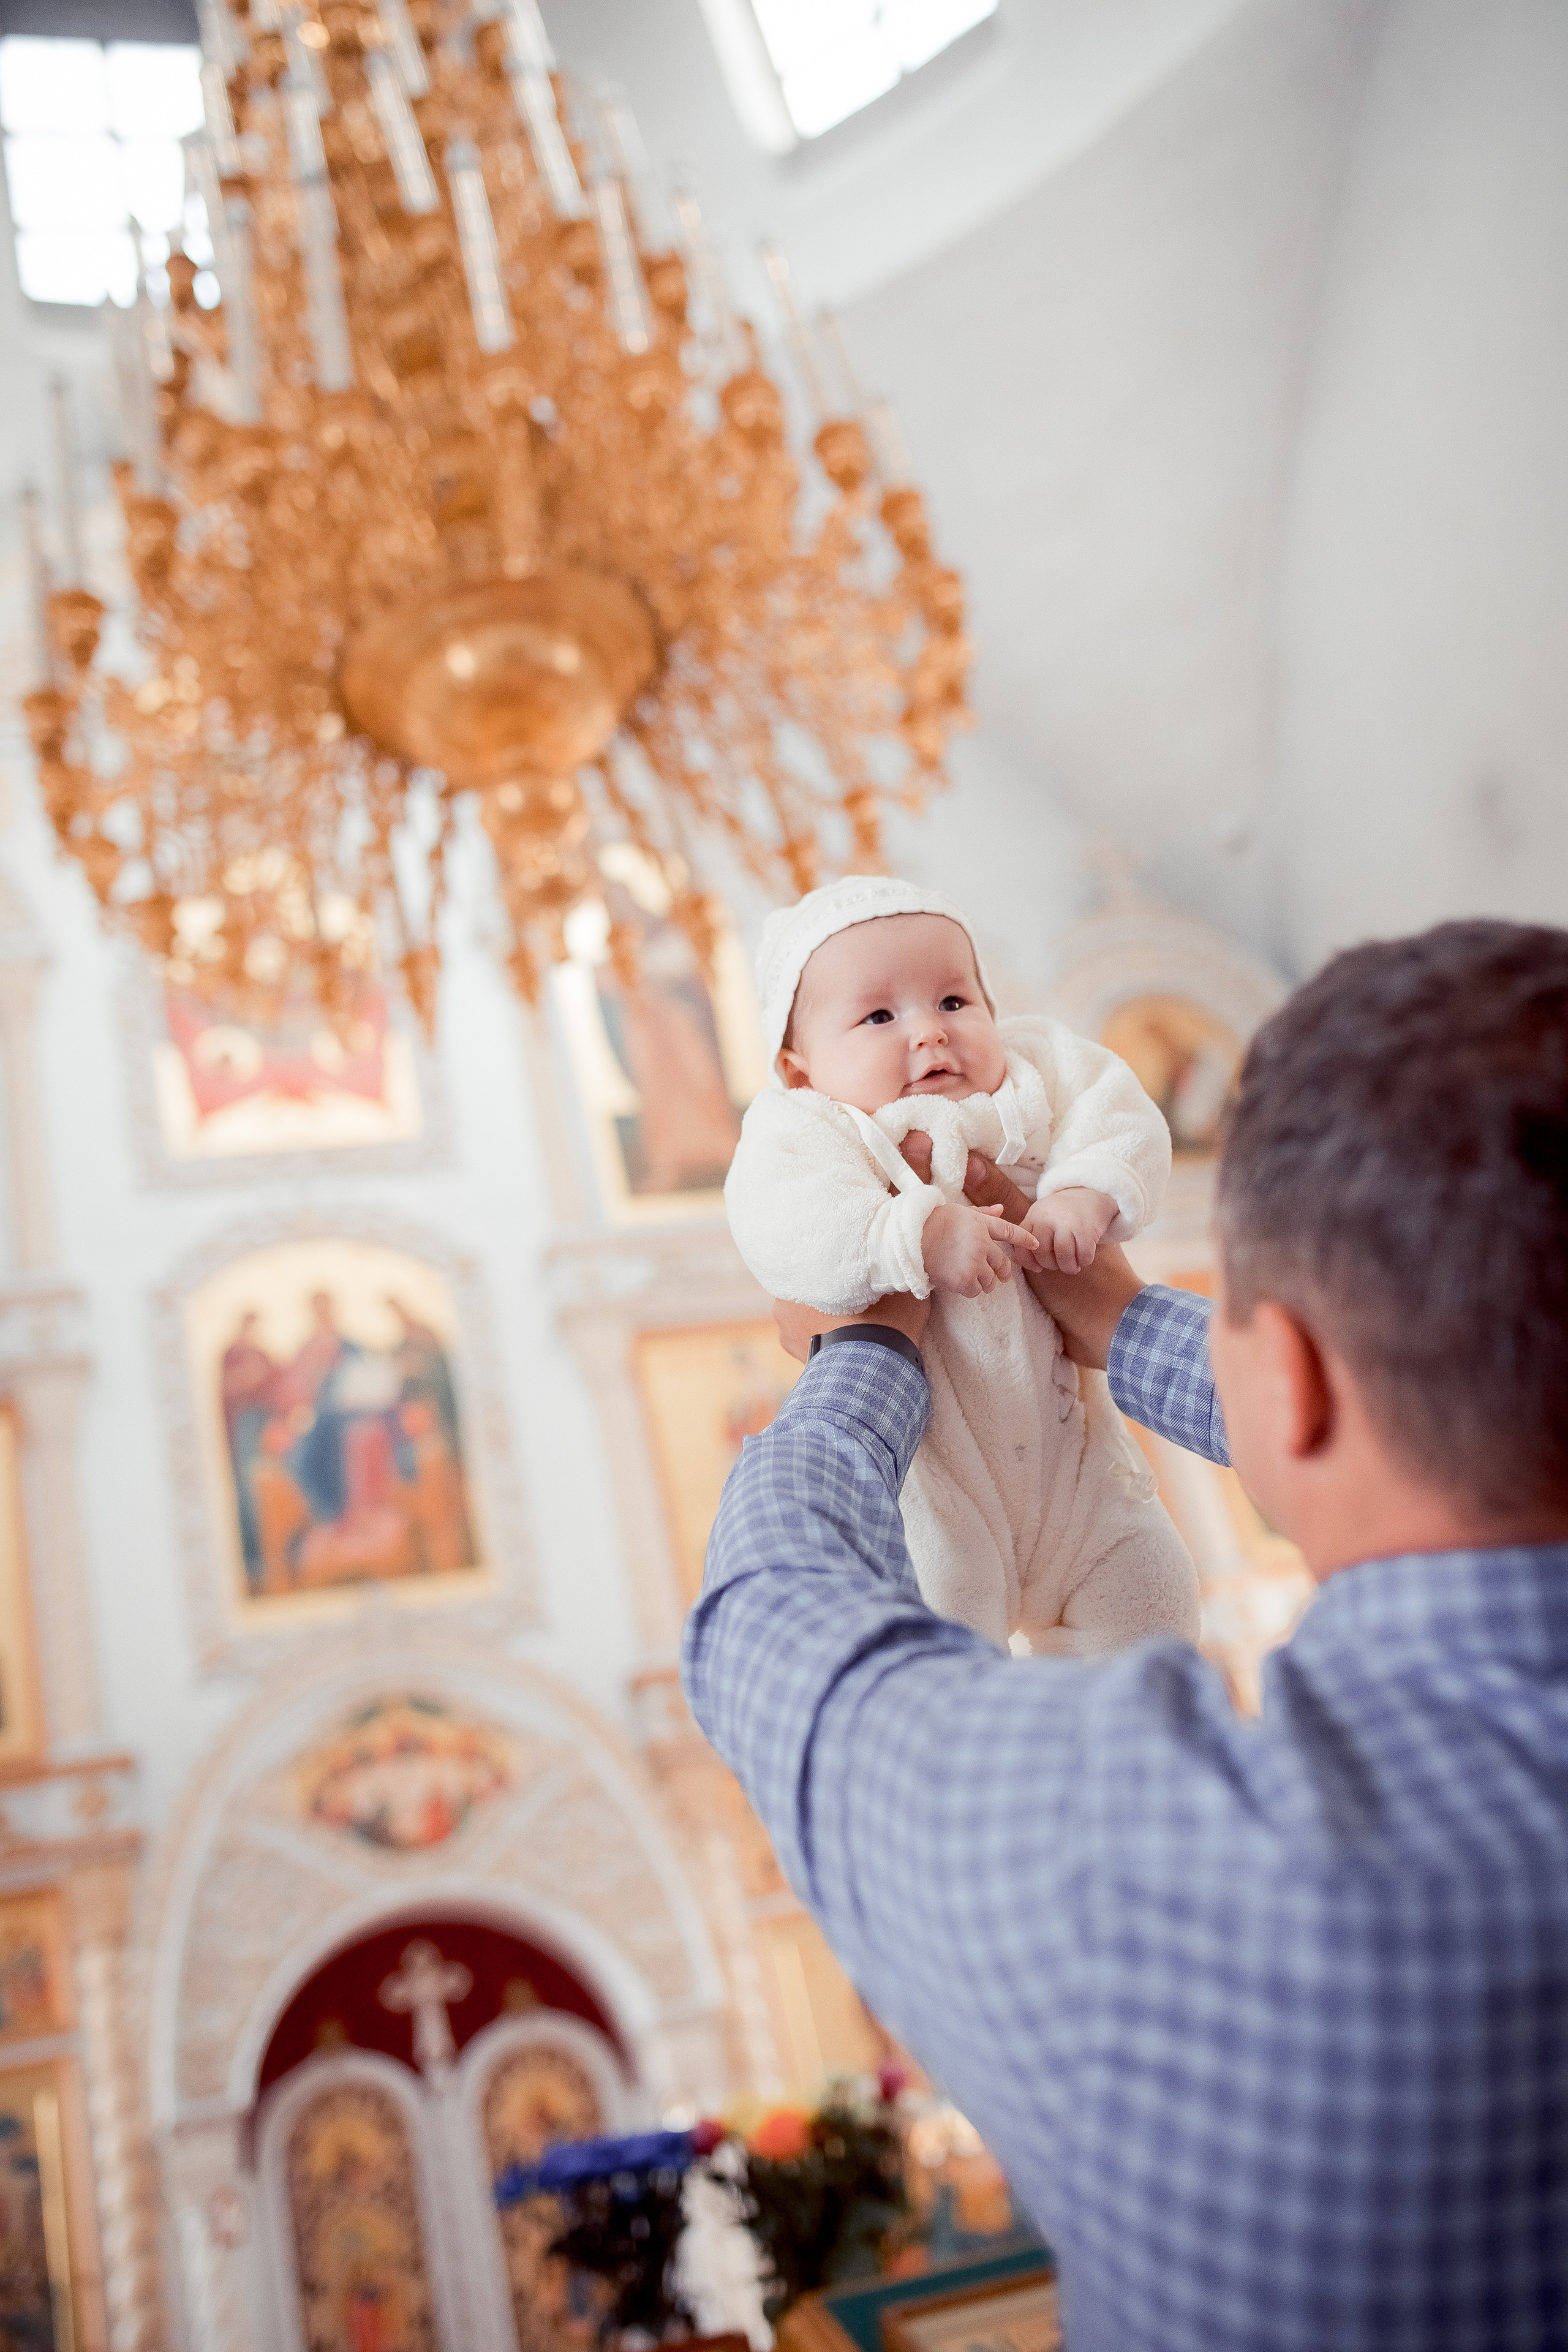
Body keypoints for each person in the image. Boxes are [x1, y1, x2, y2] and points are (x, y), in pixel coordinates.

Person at [684, 919, 1568, 2352]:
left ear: (1278, 1374)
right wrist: (1139, 1320)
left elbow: (766, 1622)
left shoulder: (1131, 1841)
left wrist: (872, 1337)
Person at [725, 874, 1199, 1653]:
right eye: (879, 1015)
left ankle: (1104, 1742)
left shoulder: (1035, 1066)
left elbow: (1117, 1112)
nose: (929, 1033)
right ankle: (1017, 1755)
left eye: (953, 1001)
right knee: (945, 1630)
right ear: (798, 1068)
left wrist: (1084, 1192)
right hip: (938, 1492)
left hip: (1075, 1478)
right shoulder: (805, 1130)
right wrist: (909, 1235)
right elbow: (781, 1224)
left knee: (1152, 1596)